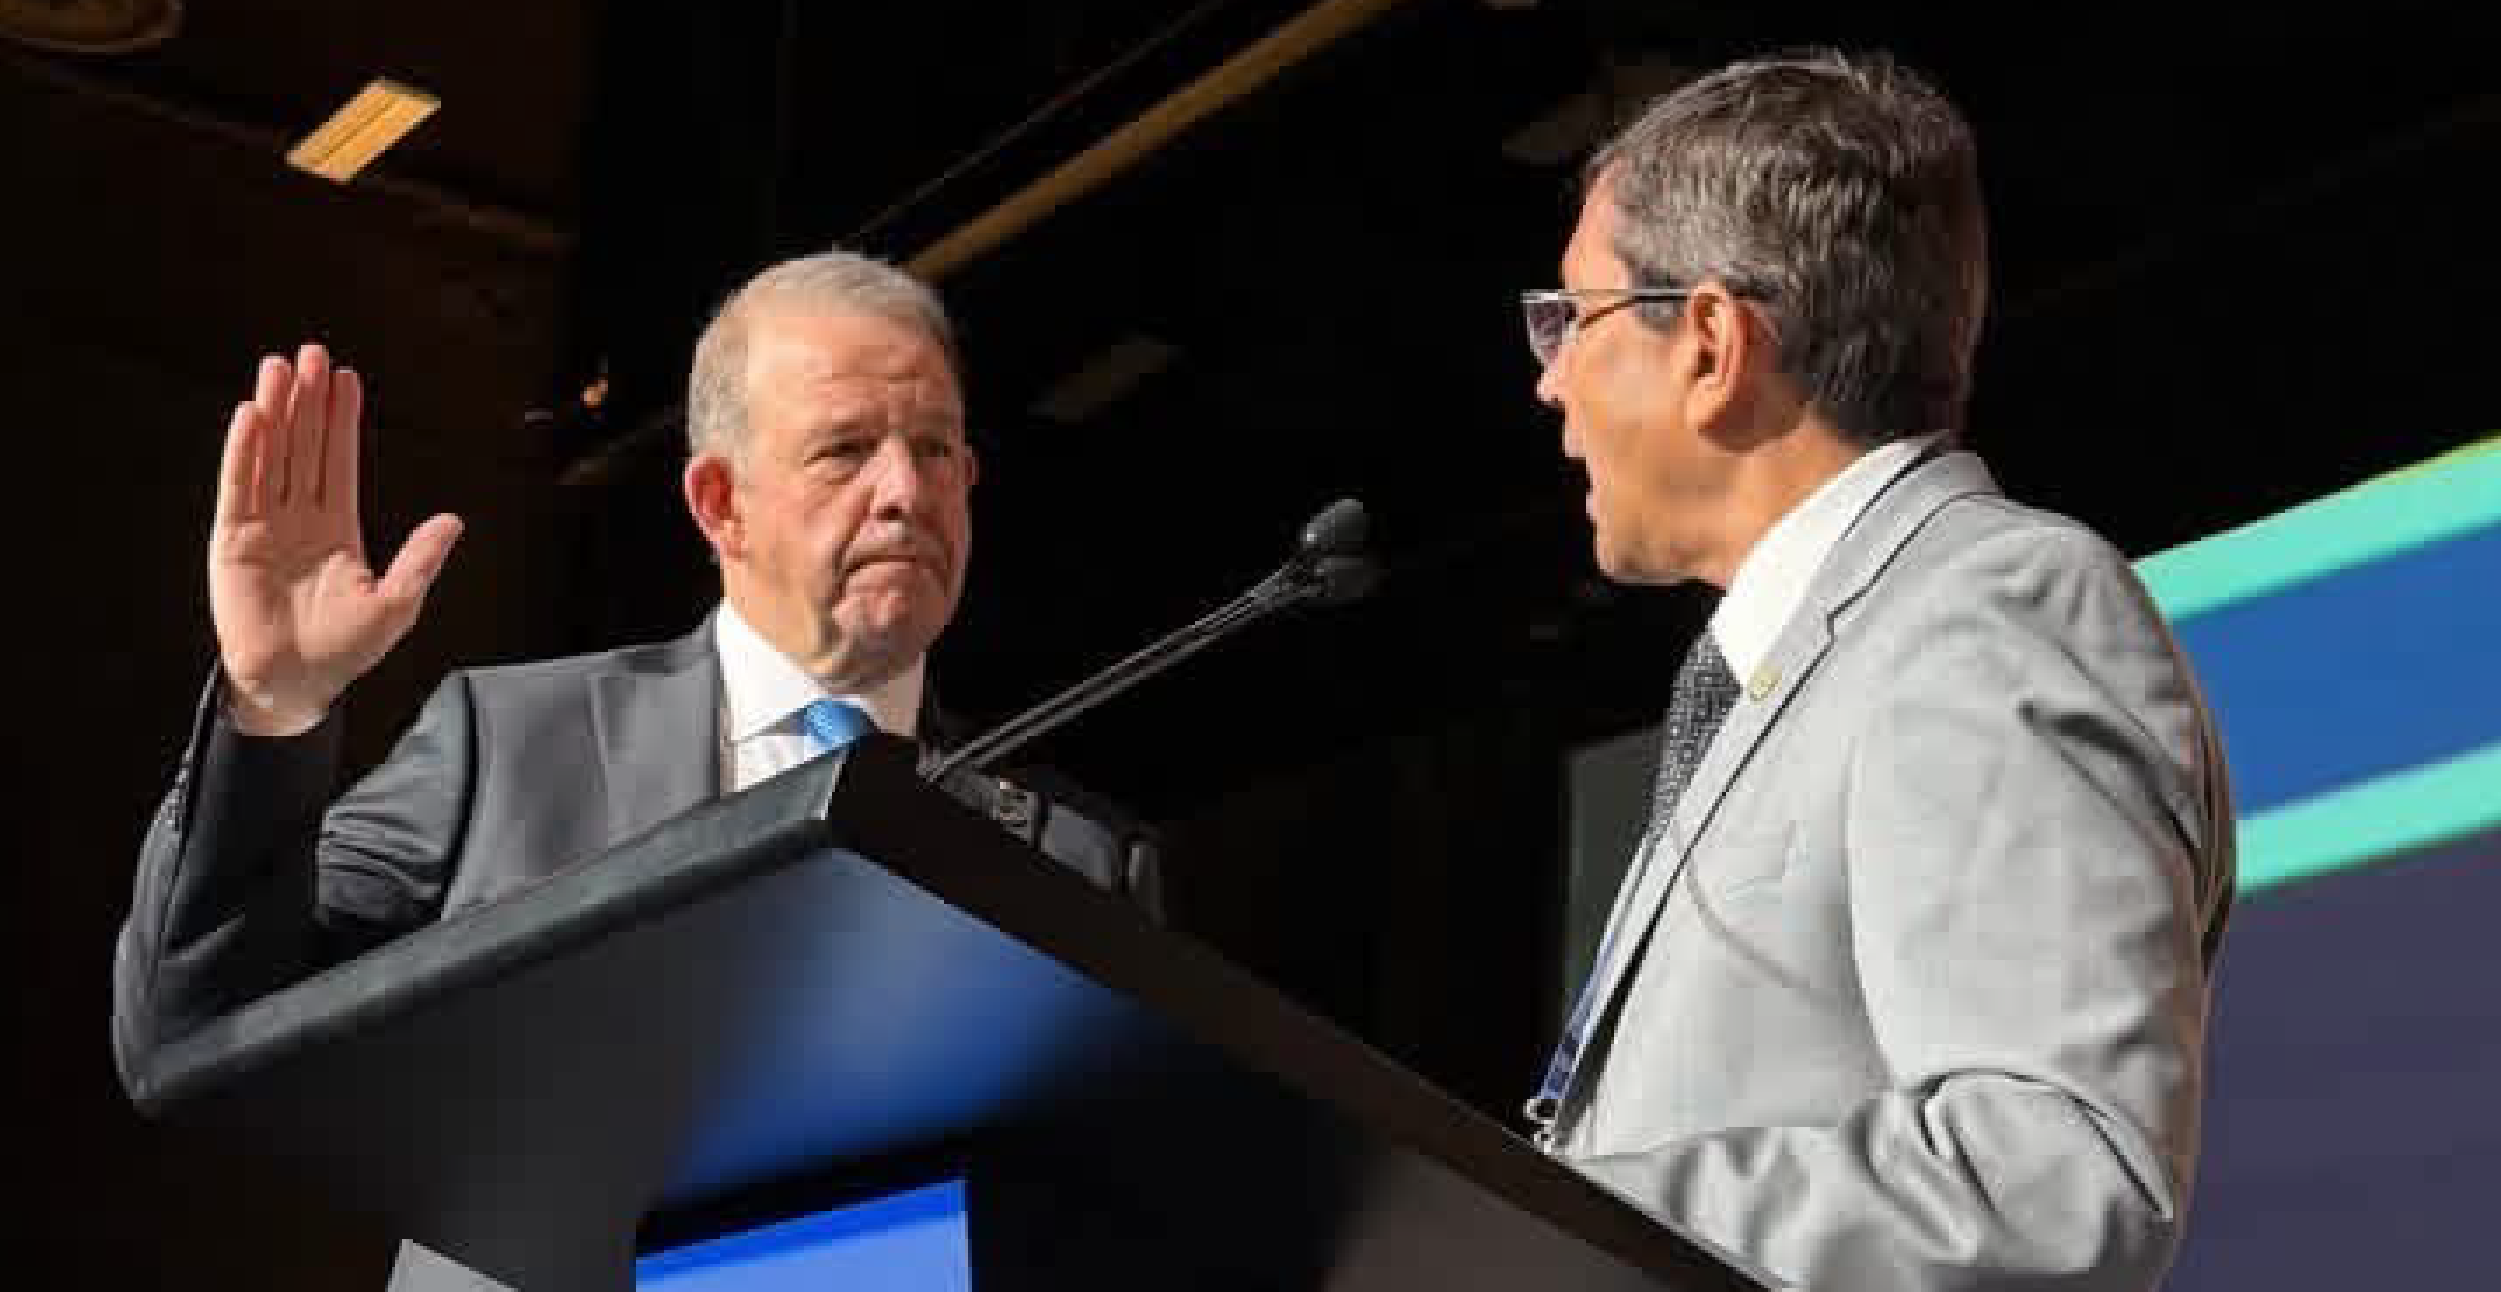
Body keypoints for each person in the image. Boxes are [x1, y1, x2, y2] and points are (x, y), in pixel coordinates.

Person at [111, 250, 1158, 1286]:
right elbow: (197, 1022)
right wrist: (276, 707)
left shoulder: (1072, 851)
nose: (903, 491)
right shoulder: (515, 741)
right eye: (844, 450)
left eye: (935, 450)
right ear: (720, 501)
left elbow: (1128, 1213)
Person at [1520, 50, 2235, 1292]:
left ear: (1706, 342)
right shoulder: (1781, 669)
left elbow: (2053, 1181)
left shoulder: (1983, 609)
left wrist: (1537, 1215)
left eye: (1568, 319)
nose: (1547, 380)